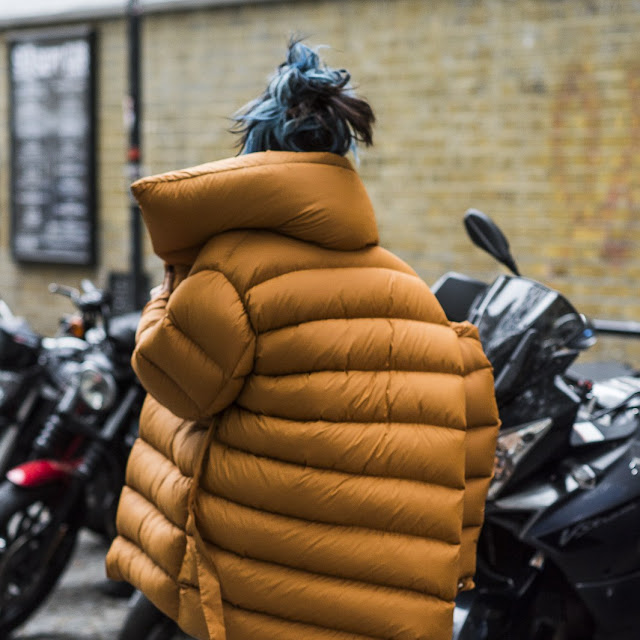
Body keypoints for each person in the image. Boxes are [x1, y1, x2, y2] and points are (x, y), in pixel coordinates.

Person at [106, 40, 500, 640]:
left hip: (261, 590)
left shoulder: (232, 271)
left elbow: (177, 383)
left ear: (255, 156)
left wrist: (166, 293)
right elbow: (464, 449)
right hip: (377, 598)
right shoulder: (408, 286)